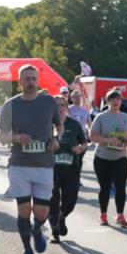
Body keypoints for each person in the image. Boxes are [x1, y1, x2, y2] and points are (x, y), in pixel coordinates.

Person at [0, 65, 62, 254]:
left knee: (41, 212)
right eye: (26, 79)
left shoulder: (48, 102)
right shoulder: (10, 105)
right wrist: (17, 138)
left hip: (44, 164)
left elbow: (59, 125)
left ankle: (37, 229)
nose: (31, 82)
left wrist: (56, 139)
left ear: (38, 80)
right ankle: (27, 251)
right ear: (20, 82)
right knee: (24, 209)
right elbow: (2, 137)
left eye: (34, 79)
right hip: (19, 165)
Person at [90, 89, 127, 227]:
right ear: (108, 101)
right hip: (103, 158)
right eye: (113, 99)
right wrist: (109, 139)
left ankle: (120, 215)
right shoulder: (101, 117)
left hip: (120, 157)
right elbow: (92, 136)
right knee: (105, 187)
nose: (116, 102)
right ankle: (103, 215)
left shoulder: (126, 117)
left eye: (118, 99)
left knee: (121, 186)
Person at [49, 95, 88, 244]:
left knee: (70, 201)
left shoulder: (74, 124)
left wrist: (79, 148)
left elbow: (85, 143)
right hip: (51, 168)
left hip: (71, 168)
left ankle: (62, 216)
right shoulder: (46, 124)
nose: (59, 108)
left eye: (62, 105)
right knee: (52, 201)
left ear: (66, 107)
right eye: (56, 105)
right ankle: (55, 232)